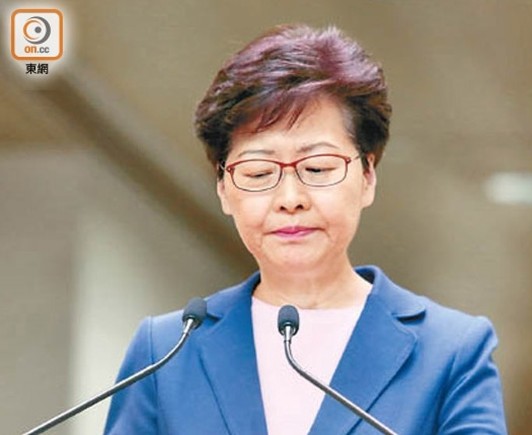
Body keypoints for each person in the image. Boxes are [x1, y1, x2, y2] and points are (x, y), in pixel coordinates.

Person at [104, 24, 507, 435]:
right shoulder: (166, 351)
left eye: (317, 168)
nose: (290, 198)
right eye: (258, 172)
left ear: (368, 176)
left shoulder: (451, 352)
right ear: (224, 189)